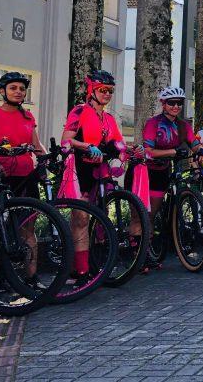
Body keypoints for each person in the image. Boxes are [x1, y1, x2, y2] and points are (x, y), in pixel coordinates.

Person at [62, 71, 130, 279]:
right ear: (92, 90)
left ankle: (95, 264)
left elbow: (120, 143)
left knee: (100, 219)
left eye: (110, 91)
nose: (107, 94)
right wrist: (87, 145)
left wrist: (131, 151)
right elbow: (66, 139)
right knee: (81, 219)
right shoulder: (79, 111)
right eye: (103, 90)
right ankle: (79, 271)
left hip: (101, 172)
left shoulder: (109, 118)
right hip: (81, 170)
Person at [142, 87, 203, 241]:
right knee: (151, 212)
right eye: (172, 103)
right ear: (163, 104)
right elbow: (148, 151)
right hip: (150, 170)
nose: (176, 106)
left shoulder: (184, 125)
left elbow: (194, 143)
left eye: (179, 103)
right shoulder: (153, 123)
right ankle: (146, 246)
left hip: (168, 168)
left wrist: (201, 150)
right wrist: (172, 152)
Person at [0, 72, 46, 199]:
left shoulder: (28, 116)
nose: (18, 91)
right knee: (4, 217)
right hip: (1, 177)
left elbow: (36, 145)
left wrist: (50, 159)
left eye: (22, 89)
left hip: (27, 176)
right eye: (13, 88)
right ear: (2, 91)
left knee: (30, 215)